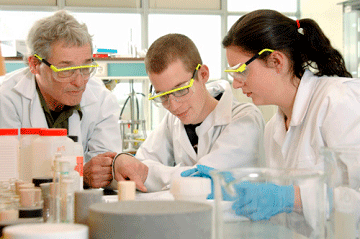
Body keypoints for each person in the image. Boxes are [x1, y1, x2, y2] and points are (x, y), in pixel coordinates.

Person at [184, 9, 360, 236]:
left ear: (277, 61)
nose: (236, 84)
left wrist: (290, 198)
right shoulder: (273, 129)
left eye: (241, 71)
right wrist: (237, 186)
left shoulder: (337, 101)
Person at [112, 33, 265, 192]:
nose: (174, 106)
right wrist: (128, 164)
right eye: (163, 96)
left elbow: (204, 181)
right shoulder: (173, 120)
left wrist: (145, 174)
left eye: (181, 90)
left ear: (203, 74)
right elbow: (137, 166)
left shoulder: (245, 118)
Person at [0, 10, 122, 188]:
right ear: (35, 64)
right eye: (65, 70)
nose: (79, 82)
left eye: (86, 67)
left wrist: (95, 173)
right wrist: (80, 174)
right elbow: (7, 174)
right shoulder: (6, 97)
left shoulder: (101, 99)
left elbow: (106, 170)